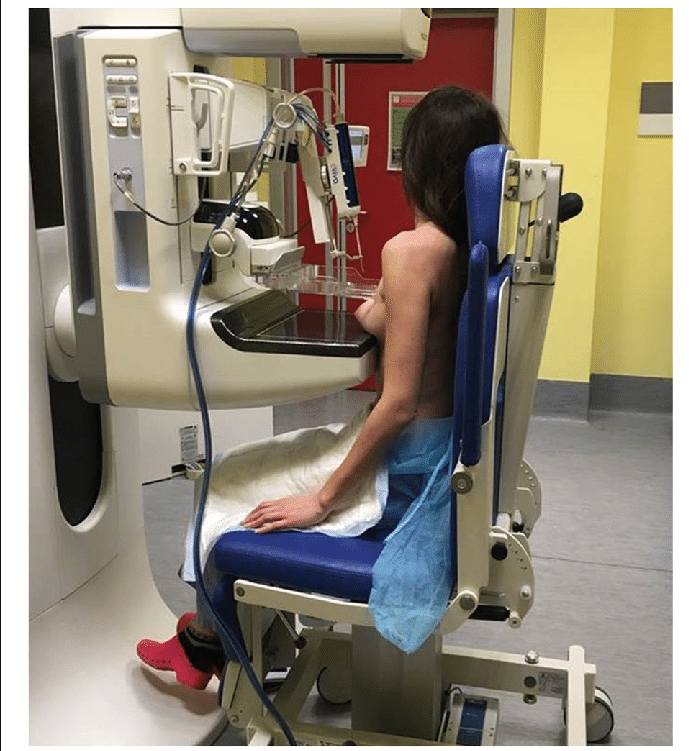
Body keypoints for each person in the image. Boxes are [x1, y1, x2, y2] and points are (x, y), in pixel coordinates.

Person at [137, 86, 505, 686]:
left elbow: (398, 402)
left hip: (404, 472)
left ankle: (204, 646)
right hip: (432, 450)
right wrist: (381, 311)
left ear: (418, 160)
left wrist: (324, 499)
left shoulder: (411, 251)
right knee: (249, 467)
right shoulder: (469, 249)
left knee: (226, 484)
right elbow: (420, 332)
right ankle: (222, 630)